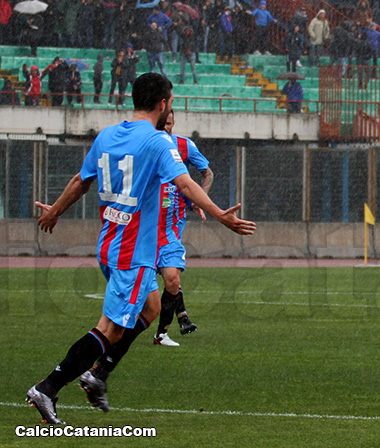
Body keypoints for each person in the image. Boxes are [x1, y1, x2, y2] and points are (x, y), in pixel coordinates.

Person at [25, 73, 256, 424]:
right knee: (110, 330)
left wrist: (55, 211)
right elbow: (185, 184)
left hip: (110, 242)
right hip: (132, 251)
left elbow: (80, 181)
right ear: (162, 104)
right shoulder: (158, 142)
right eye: (171, 102)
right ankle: (48, 387)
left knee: (151, 307)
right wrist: (220, 214)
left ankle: (98, 375)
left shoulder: (107, 135)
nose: (171, 108)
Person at [152, 111, 213, 346]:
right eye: (162, 125)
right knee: (142, 295)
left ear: (173, 123)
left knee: (172, 279)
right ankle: (182, 316)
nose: (166, 129)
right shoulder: (146, 146)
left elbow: (207, 173)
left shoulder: (184, 146)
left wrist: (199, 198)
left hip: (171, 227)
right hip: (144, 227)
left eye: (169, 124)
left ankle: (162, 334)